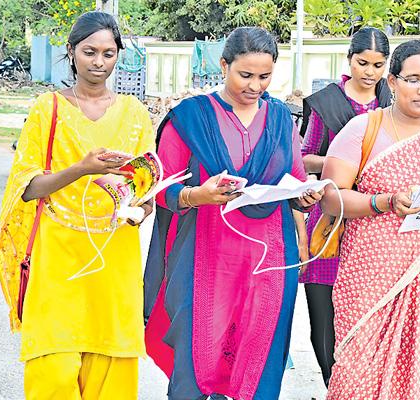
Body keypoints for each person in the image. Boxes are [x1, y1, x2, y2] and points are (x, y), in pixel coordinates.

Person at [143, 27, 321, 400]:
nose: (255, 85)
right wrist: (197, 195)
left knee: (259, 362)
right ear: (224, 65)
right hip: (204, 259)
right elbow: (160, 191)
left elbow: (294, 181)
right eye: (245, 75)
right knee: (194, 361)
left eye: (265, 76)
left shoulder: (278, 119)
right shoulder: (189, 118)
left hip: (268, 263)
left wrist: (303, 202)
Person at [0, 11, 155, 399]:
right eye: (89, 52)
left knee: (111, 371)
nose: (99, 62)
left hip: (115, 258)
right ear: (71, 52)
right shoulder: (47, 109)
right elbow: (27, 188)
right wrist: (81, 169)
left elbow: (145, 184)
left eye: (108, 53)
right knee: (54, 373)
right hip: (57, 257)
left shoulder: (134, 113)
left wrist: (139, 208)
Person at [320, 39, 420, 399]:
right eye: (414, 79)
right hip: (369, 276)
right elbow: (332, 198)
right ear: (391, 82)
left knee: (416, 374)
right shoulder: (363, 129)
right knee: (355, 375)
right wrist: (385, 202)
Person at [298, 26, 392, 387]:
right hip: (330, 222)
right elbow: (304, 159)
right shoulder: (326, 103)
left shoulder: (393, 97)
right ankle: (334, 388)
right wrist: (347, 159)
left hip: (377, 221)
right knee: (325, 320)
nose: (369, 72)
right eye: (362, 62)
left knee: (369, 319)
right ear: (348, 59)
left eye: (378, 64)